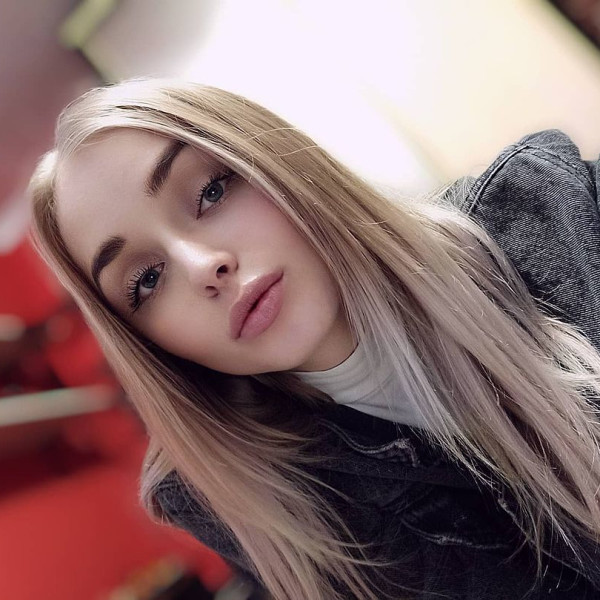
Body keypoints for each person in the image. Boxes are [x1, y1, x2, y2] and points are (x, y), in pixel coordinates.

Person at [28, 77, 600, 599]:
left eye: (210, 192)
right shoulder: (257, 512)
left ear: (270, 158)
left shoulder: (555, 219)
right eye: (147, 280)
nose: (204, 267)